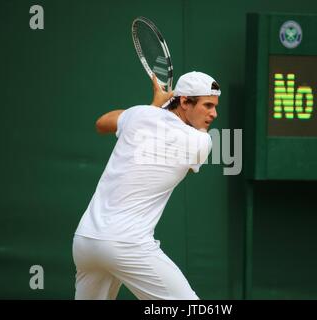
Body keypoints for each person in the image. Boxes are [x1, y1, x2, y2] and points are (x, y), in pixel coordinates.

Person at [72, 71, 221, 300]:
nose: (214, 113)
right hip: (127, 245)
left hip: (86, 242)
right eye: (208, 105)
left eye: (215, 106)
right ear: (184, 101)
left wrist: (154, 107)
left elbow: (102, 123)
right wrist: (156, 112)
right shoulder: (200, 142)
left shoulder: (139, 115)